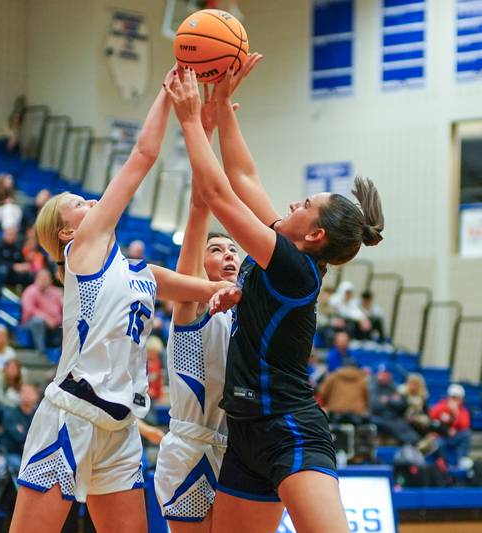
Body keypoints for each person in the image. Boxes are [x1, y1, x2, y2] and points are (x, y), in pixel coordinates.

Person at [165, 59, 384, 532]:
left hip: (289, 428)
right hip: (245, 432)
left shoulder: (292, 266)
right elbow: (244, 178)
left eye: (305, 205)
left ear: (316, 235)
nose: (292, 204)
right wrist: (222, 107)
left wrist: (190, 120)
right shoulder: (287, 252)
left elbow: (221, 195)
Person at [11, 67, 229, 532]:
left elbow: (203, 288)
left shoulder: (138, 272)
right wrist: (168, 95)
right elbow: (143, 154)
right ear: (66, 231)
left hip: (122, 427)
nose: (89, 202)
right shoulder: (83, 249)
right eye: (77, 203)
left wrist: (235, 288)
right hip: (71, 415)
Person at [153, 96, 242, 527]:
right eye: (216, 249)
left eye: (233, 250)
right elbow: (200, 206)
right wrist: (202, 132)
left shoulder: (244, 314)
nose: (228, 255)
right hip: (189, 446)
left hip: (235, 449)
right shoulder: (190, 306)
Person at [371, 370, 419, 445]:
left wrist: (388, 401)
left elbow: (402, 403)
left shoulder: (392, 386)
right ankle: (411, 442)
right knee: (393, 425)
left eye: (387, 374)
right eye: (383, 374)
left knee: (403, 424)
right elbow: (374, 405)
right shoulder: (373, 387)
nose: (385, 376)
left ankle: (415, 441)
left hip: (394, 415)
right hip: (380, 416)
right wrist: (392, 401)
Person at [429, 383, 472, 467]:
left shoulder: (462, 410)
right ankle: (445, 464)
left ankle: (461, 460)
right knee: (438, 443)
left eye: (458, 398)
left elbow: (465, 425)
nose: (455, 400)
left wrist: (456, 412)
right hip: (440, 437)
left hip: (454, 437)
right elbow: (431, 419)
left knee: (466, 434)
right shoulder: (440, 407)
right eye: (453, 397)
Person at [21, 269, 62, 354]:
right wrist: (46, 318)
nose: (44, 280)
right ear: (36, 279)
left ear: (50, 280)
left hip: (54, 322)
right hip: (31, 322)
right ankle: (41, 350)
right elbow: (29, 310)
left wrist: (56, 320)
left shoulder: (56, 292)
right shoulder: (30, 291)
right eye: (42, 278)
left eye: (46, 278)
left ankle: (62, 351)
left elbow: (61, 310)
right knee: (37, 321)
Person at [0, 227, 34, 302]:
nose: (12, 237)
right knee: (2, 271)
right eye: (10, 234)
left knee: (29, 275)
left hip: (11, 275)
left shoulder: (17, 247)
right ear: (4, 234)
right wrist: (13, 266)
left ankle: (26, 299)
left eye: (14, 235)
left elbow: (21, 262)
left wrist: (25, 265)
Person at [1, 383, 39, 473]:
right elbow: (19, 437)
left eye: (30, 392)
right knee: (21, 467)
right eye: (23, 392)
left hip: (34, 453)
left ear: (36, 396)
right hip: (14, 452)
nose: (26, 395)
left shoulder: (40, 414)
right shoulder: (10, 413)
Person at [146, 336, 164, 403]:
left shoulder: (157, 362)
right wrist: (147, 390)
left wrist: (159, 394)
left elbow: (158, 379)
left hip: (153, 395)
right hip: (144, 393)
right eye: (152, 352)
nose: (154, 355)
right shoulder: (144, 362)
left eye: (156, 353)